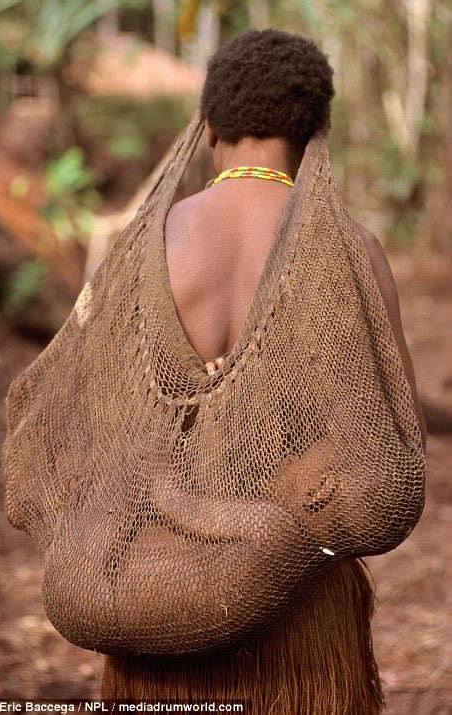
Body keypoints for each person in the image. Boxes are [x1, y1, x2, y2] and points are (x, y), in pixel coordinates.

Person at [101, 28, 426, 713]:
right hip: (302, 621)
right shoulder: (353, 252)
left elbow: (106, 440)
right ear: (313, 134)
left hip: (162, 602)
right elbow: (393, 449)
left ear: (211, 127)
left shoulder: (142, 250)